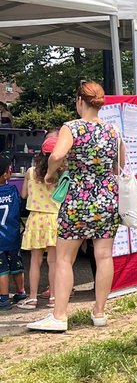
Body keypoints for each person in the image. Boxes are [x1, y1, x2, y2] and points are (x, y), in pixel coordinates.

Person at [28, 81, 124, 333]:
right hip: (107, 198)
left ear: (80, 101)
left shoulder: (71, 127)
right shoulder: (113, 130)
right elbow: (120, 165)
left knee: (63, 258)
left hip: (77, 198)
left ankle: (59, 316)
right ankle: (99, 312)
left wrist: (50, 173)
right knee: (104, 256)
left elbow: (57, 155)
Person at [16, 134, 60, 310]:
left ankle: (33, 298)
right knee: (54, 262)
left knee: (35, 261)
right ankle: (54, 297)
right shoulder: (62, 174)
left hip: (36, 219)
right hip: (55, 219)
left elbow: (23, 195)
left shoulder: (30, 172)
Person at [0, 158, 25, 309]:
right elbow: (19, 207)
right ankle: (20, 292)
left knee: (2, 269)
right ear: (5, 175)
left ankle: (3, 298)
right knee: (16, 265)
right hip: (13, 235)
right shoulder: (12, 190)